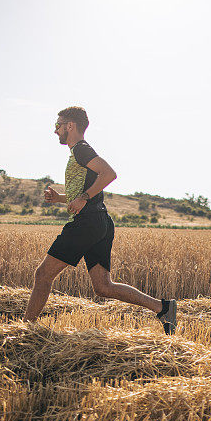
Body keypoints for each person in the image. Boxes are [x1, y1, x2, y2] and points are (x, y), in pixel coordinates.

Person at [23, 106, 177, 332]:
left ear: (70, 126)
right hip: (100, 221)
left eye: (57, 126)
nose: (55, 131)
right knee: (103, 287)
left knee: (43, 274)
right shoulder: (78, 152)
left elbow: (109, 174)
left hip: (87, 223)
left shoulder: (81, 150)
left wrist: (84, 198)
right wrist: (60, 198)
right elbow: (85, 192)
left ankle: (25, 330)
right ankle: (163, 308)